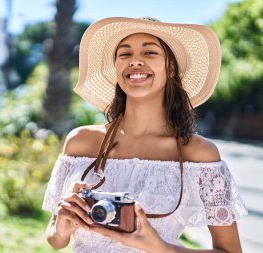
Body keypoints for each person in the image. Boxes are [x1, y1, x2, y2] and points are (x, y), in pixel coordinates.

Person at [42, 17, 248, 253]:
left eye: (150, 53)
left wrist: (160, 248)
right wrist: (61, 228)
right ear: (116, 67)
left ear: (171, 68)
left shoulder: (198, 154)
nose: (135, 61)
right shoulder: (81, 142)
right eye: (124, 54)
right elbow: (55, 239)